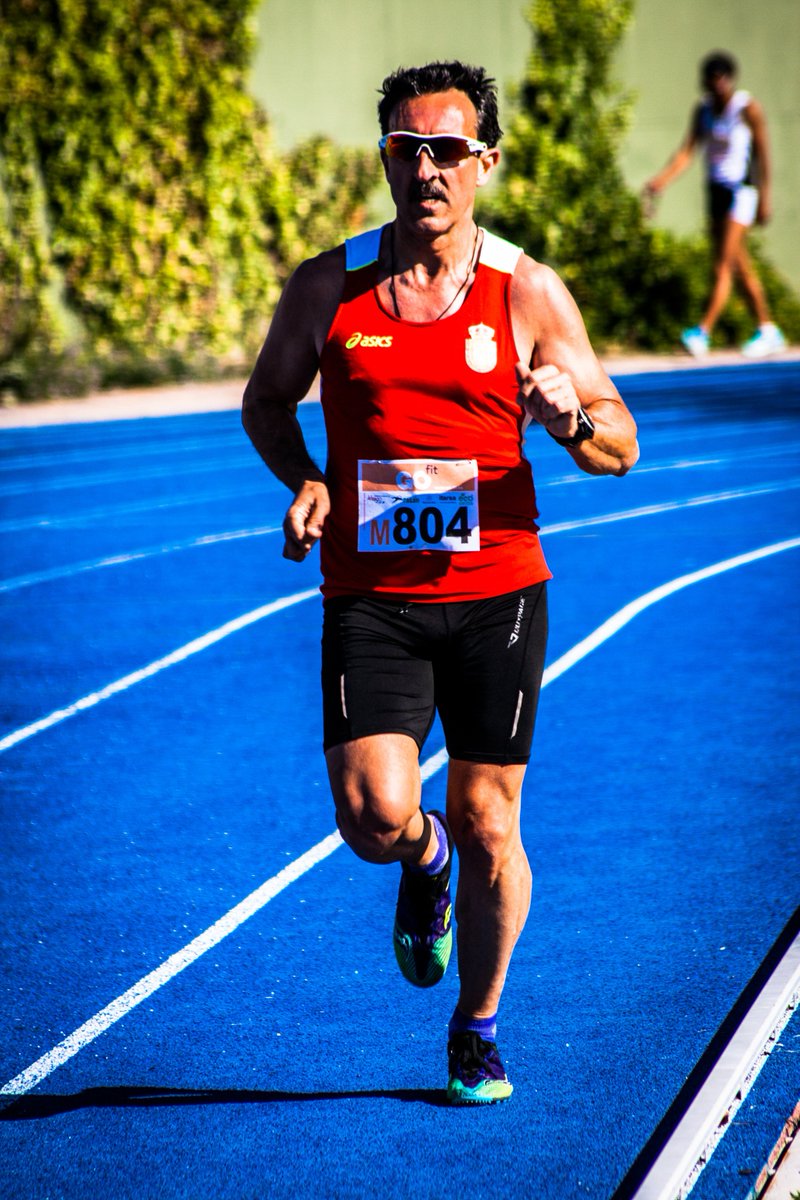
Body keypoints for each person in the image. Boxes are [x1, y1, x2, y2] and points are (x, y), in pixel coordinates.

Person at [243, 60, 638, 1105]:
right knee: (375, 816)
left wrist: (569, 421)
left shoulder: (525, 291)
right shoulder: (329, 288)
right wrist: (310, 478)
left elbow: (621, 446)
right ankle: (422, 872)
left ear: (484, 163)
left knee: (489, 823)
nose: (426, 169)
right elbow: (266, 404)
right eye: (406, 149)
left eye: (447, 151)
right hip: (370, 599)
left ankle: (476, 1024)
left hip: (497, 594)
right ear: (385, 160)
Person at [644, 50, 786, 359]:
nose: (718, 86)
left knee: (723, 265)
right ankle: (767, 328)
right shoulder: (704, 110)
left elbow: (763, 155)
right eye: (713, 80)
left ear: (730, 80)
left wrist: (765, 198)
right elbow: (687, 152)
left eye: (722, 79)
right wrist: (661, 180)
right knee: (739, 265)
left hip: (741, 192)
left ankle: (702, 331)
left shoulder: (747, 108)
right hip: (716, 193)